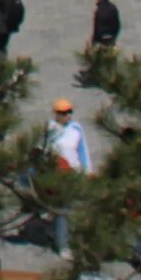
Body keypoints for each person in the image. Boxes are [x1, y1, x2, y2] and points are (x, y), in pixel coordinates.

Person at [44, 98, 92, 255]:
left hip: (74, 173)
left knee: (73, 208)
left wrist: (87, 171)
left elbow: (82, 151)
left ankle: (68, 237)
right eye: (62, 113)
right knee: (62, 209)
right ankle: (62, 244)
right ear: (56, 114)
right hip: (57, 175)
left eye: (68, 112)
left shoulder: (76, 129)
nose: (66, 115)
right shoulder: (50, 129)